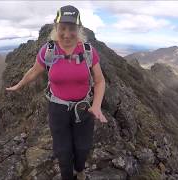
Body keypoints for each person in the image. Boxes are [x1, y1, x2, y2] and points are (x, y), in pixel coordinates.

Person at [6, 5, 107, 180]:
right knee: (63, 151)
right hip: (57, 110)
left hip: (84, 108)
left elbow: (99, 81)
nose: (67, 34)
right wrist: (19, 84)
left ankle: (80, 169)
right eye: (63, 28)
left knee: (82, 148)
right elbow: (34, 71)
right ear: (56, 28)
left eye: (72, 29)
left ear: (79, 29)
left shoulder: (88, 51)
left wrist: (96, 105)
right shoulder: (49, 50)